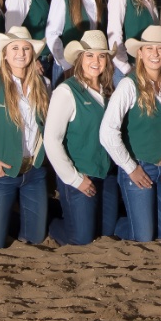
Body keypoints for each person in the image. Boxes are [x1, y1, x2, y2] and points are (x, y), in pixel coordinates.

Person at [0, 26, 51, 249]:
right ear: (5, 53)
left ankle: (6, 219)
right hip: (2, 173)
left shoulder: (44, 86)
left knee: (35, 238)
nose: (21, 53)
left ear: (32, 54)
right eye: (14, 48)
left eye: (26, 48)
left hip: (33, 172)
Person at [100, 26, 161, 242]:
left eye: (160, 49)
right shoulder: (128, 85)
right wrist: (130, 168)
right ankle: (111, 228)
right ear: (140, 53)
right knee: (144, 238)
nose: (155, 54)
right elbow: (107, 132)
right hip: (140, 167)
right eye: (149, 48)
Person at [45, 31, 120, 246]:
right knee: (82, 239)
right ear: (79, 59)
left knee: (106, 232)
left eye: (101, 56)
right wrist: (75, 179)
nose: (96, 61)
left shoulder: (109, 91)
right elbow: (52, 140)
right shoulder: (66, 91)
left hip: (106, 174)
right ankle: (49, 222)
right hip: (79, 174)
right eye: (89, 55)